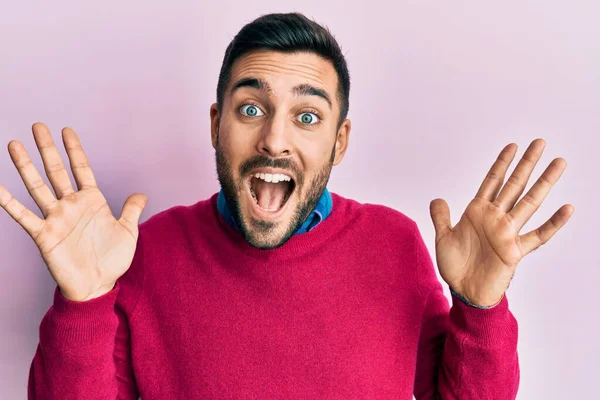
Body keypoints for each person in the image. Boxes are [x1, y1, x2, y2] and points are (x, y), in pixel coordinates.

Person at [0, 12, 574, 400]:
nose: (275, 140)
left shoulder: (393, 245)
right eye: (251, 109)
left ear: (339, 142)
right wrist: (83, 303)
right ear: (215, 125)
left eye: (307, 116)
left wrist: (479, 309)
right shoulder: (146, 253)